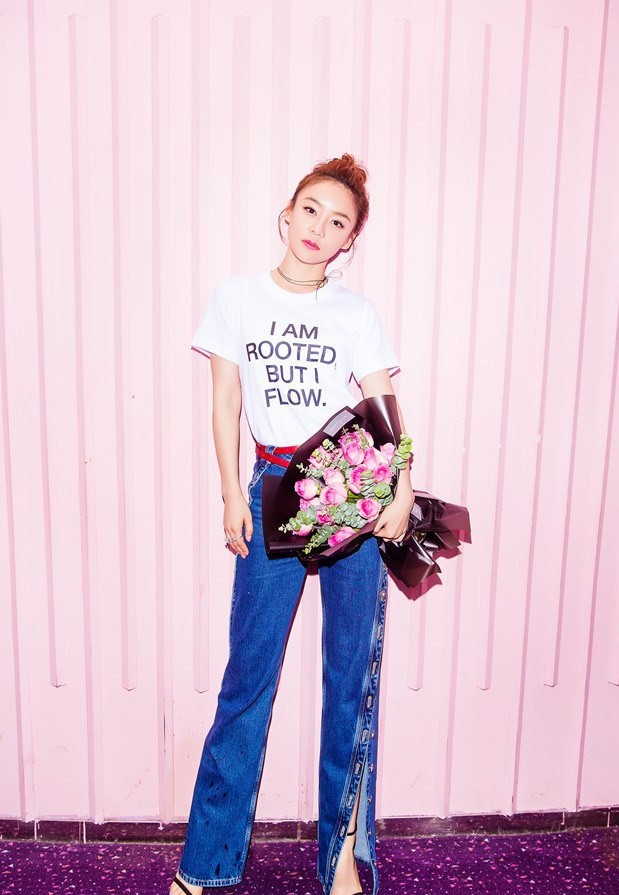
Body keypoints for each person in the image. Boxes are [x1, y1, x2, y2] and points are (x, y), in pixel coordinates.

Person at [170, 153, 415, 895]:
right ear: (287, 214)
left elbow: (382, 407)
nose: (319, 228)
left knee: (349, 680)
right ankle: (206, 863)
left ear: (348, 241)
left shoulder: (355, 313)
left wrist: (400, 488)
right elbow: (225, 402)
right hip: (272, 489)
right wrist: (229, 494)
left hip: (351, 497)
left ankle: (339, 857)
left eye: (337, 222)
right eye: (310, 210)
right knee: (248, 679)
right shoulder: (237, 298)